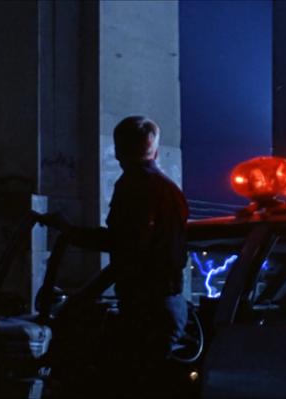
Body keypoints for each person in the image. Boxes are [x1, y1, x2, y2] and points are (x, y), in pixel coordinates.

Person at [40, 115, 189, 396]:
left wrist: (71, 234)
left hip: (145, 312)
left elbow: (126, 247)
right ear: (155, 150)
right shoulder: (170, 190)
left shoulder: (134, 186)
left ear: (119, 151)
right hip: (168, 307)